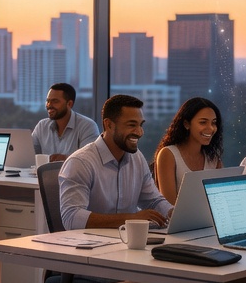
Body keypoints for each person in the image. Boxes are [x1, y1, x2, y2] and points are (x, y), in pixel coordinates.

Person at [59, 94, 172, 230]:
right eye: (131, 125)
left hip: (127, 242)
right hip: (89, 245)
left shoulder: (137, 158)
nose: (139, 132)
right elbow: (72, 218)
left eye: (140, 125)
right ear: (109, 125)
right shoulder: (80, 162)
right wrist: (132, 219)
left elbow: (153, 201)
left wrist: (174, 214)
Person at [154, 96, 224, 204]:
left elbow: (220, 201)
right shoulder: (168, 154)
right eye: (203, 122)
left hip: (208, 220)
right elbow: (169, 205)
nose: (210, 128)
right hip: (179, 220)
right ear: (186, 124)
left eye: (213, 123)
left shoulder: (213, 159)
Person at [32, 82, 100, 162]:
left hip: (74, 174)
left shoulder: (87, 126)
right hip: (44, 174)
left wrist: (66, 158)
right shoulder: (41, 126)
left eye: (55, 101)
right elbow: (30, 155)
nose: (49, 105)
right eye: (48, 101)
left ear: (69, 104)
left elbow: (90, 159)